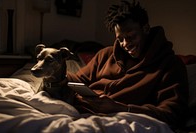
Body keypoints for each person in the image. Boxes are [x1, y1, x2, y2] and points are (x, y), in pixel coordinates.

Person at [65, 0, 189, 130]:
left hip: (119, 120)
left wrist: (119, 108)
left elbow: (171, 115)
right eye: (120, 39)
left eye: (131, 36)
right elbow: (78, 80)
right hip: (81, 112)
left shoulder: (170, 65)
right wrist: (57, 74)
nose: (125, 44)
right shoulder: (105, 55)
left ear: (145, 29)